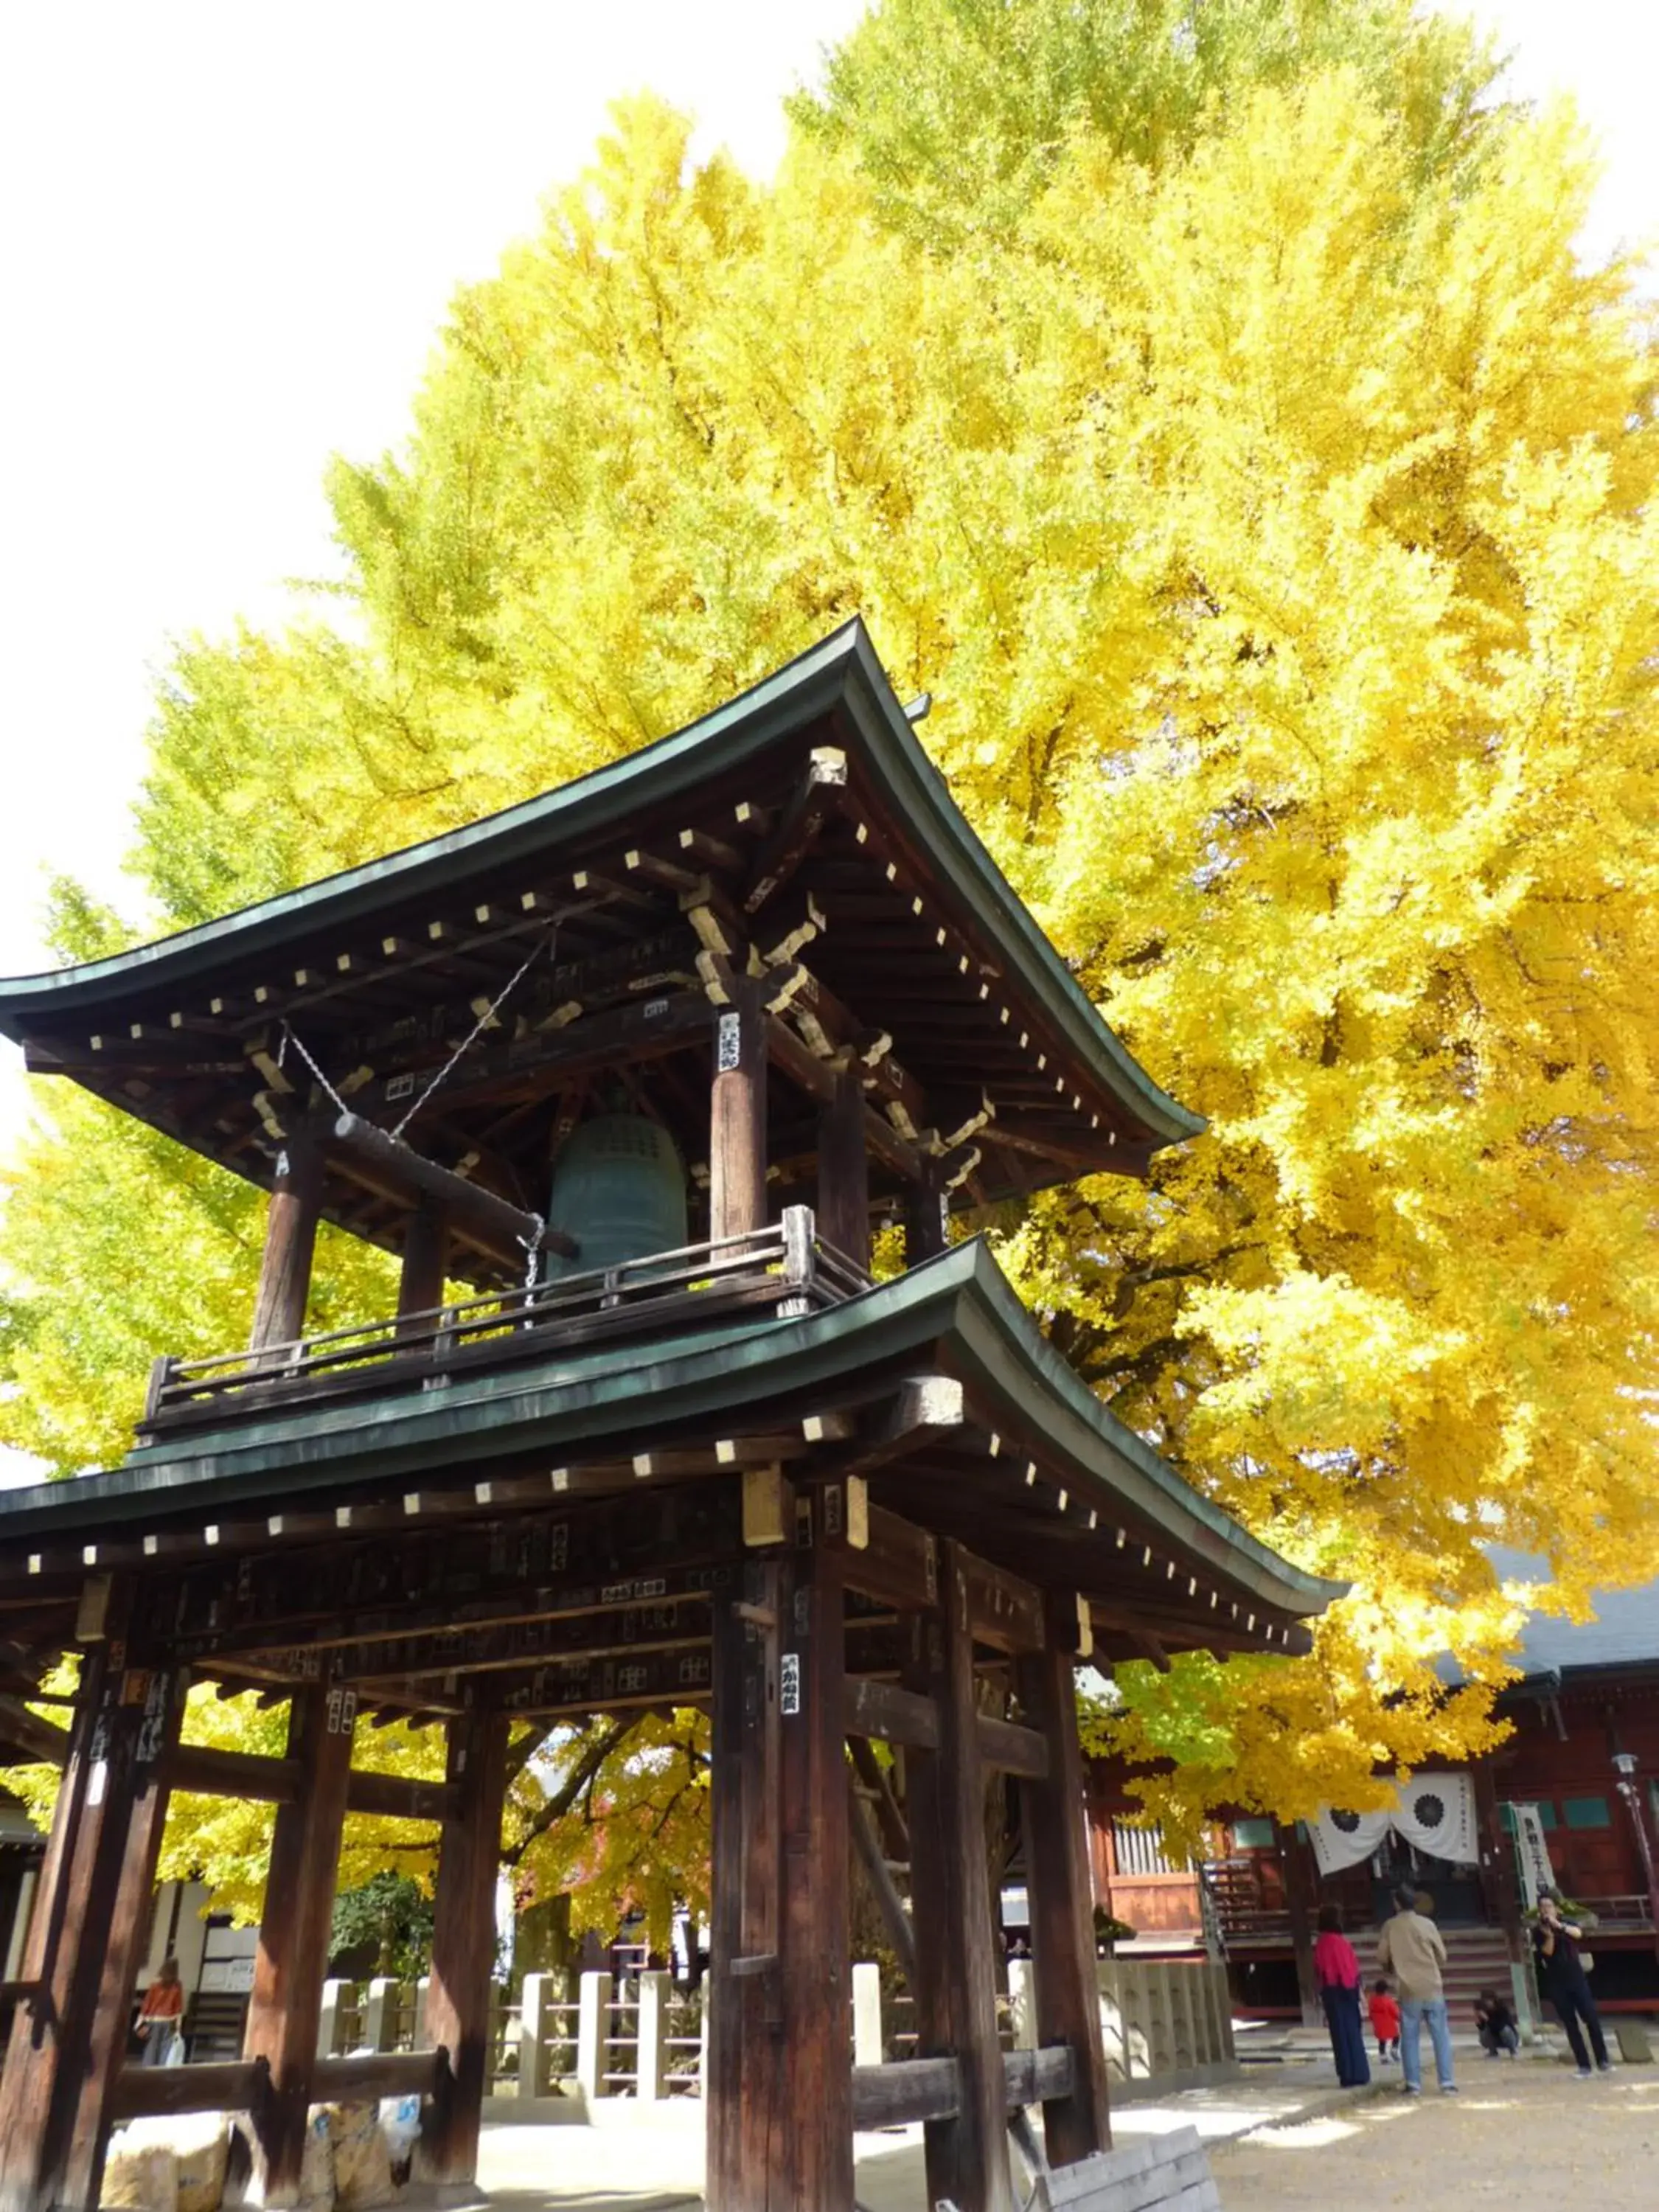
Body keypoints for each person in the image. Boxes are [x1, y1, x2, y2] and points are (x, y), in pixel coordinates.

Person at [1377, 1885, 1456, 2096]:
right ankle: (1447, 2082)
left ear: (1397, 1903)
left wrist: (1391, 1968)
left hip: (1407, 1987)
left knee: (1410, 2037)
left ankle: (1413, 2084)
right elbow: (1442, 1956)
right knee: (1441, 2035)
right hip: (1432, 1985)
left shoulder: (1390, 1926)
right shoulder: (1427, 1924)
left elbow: (1382, 1957)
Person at [1532, 1891, 1612, 2079]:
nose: (1546, 1910)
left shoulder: (1567, 1922)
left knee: (1591, 2017)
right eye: (1543, 1907)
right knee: (1570, 2023)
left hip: (1576, 1978)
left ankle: (1603, 2060)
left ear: (1556, 1908)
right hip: (1556, 1981)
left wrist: (1559, 1926)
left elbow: (1578, 1934)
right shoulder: (1538, 1930)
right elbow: (1547, 1953)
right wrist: (1549, 1935)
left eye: (1549, 1906)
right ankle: (1583, 2065)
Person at [1312, 1904, 1371, 2087]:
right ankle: (1360, 2072)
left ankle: (1346, 2074)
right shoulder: (1342, 1942)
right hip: (1347, 1989)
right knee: (1353, 2031)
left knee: (1338, 2034)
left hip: (1331, 1991)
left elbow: (1319, 1969)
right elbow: (1351, 1969)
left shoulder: (1321, 1943)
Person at [137, 1958, 185, 2067]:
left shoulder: (155, 1986)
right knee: (166, 2051)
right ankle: (160, 2074)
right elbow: (178, 2008)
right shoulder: (177, 1986)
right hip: (170, 2022)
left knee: (151, 2050)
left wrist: (139, 2023)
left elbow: (147, 2005)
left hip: (153, 2021)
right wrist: (178, 2028)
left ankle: (148, 2075)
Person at [1473, 1988, 1519, 2058]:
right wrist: (1479, 2022)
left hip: (1508, 2037)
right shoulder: (1485, 2010)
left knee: (1505, 2030)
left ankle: (1513, 2050)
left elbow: (1499, 2026)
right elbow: (1483, 2028)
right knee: (1484, 2031)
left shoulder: (1502, 2010)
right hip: (1495, 2038)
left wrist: (1487, 2019)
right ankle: (1493, 2051)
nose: (1487, 2004)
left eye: (1489, 2001)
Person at [1368, 1976, 1400, 2065]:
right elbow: (1395, 2012)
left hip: (1378, 2025)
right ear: (1386, 1990)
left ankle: (1383, 2056)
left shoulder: (1372, 2000)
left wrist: (1373, 2019)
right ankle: (1394, 2050)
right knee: (1396, 2037)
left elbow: (1371, 2012)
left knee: (1382, 2041)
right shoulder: (1388, 2001)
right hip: (1389, 2024)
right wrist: (1399, 2018)